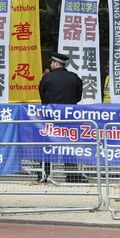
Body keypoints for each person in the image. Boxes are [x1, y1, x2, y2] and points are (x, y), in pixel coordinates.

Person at [39, 52, 84, 183]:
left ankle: (44, 173)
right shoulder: (74, 78)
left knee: (46, 145)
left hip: (50, 118)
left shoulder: (47, 79)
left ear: (56, 63)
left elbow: (43, 98)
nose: (51, 64)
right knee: (68, 145)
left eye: (52, 63)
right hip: (69, 118)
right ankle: (71, 175)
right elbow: (78, 97)